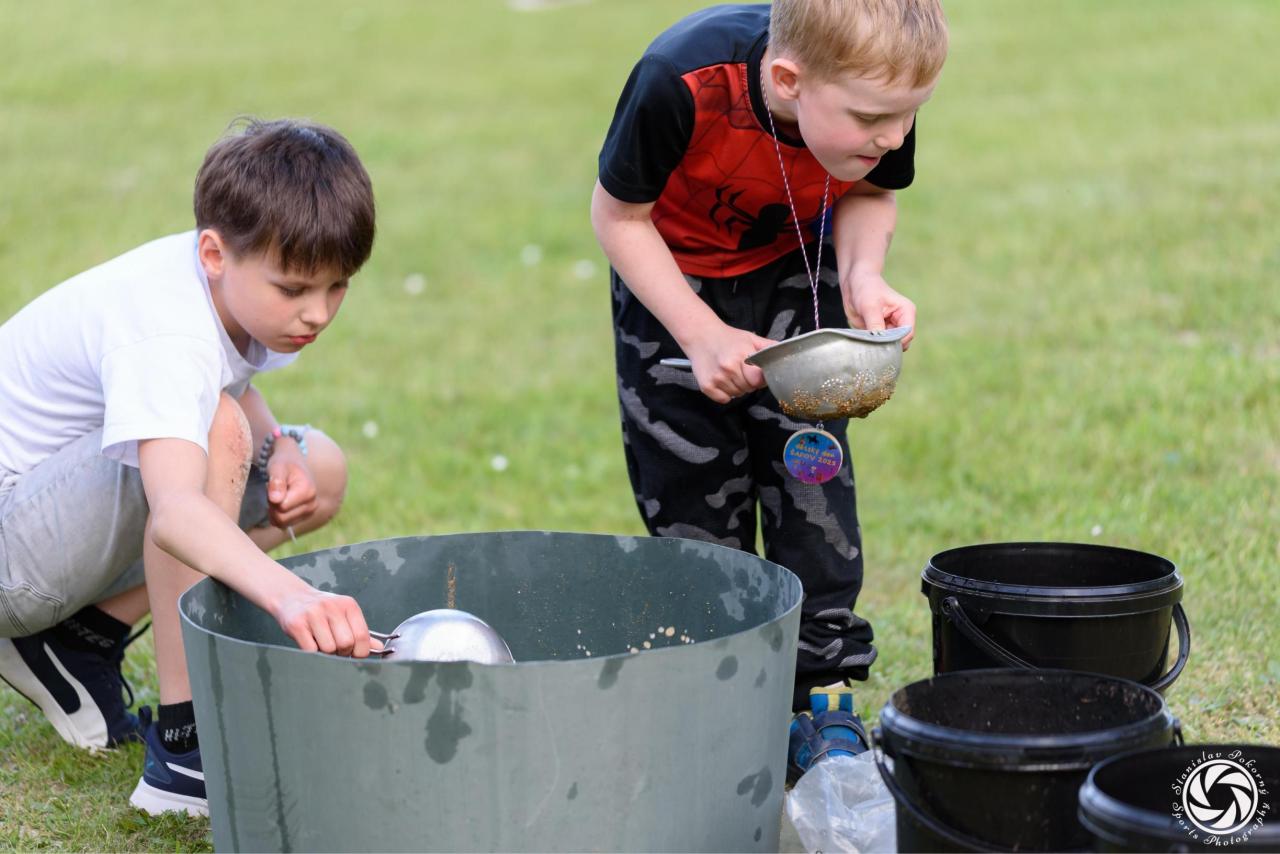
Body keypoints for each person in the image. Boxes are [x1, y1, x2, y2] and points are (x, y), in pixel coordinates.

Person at [590, 0, 947, 780]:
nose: (893, 137)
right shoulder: (680, 81)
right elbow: (618, 218)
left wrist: (863, 276)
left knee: (813, 491)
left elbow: (872, 190)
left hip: (796, 273)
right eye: (872, 120)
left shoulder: (879, 90)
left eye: (909, 116)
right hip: (674, 290)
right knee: (691, 501)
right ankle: (721, 707)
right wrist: (698, 333)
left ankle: (823, 702)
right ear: (788, 81)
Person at [0, 118, 381, 815]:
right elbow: (176, 511)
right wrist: (291, 596)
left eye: (338, 287)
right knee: (216, 433)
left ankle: (82, 638)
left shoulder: (230, 283)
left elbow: (227, 379)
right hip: (10, 555)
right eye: (295, 289)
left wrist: (281, 444)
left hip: (48, 525)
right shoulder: (164, 325)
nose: (317, 313)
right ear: (213, 252)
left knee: (316, 466)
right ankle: (183, 748)